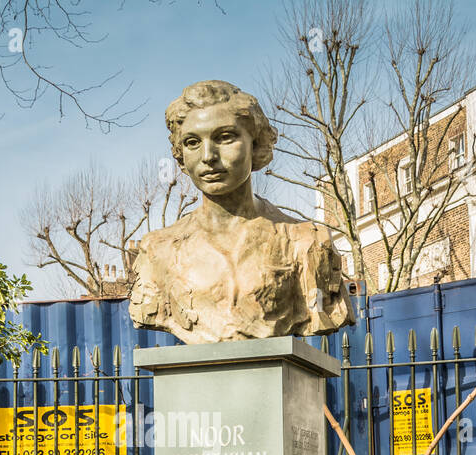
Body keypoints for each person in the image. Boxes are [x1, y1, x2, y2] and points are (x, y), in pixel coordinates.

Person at [129, 80, 352, 343]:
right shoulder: (157, 252)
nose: (208, 155)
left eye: (225, 138)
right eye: (192, 142)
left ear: (256, 144)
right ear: (180, 154)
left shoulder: (307, 244)